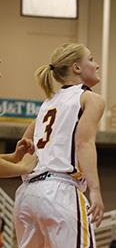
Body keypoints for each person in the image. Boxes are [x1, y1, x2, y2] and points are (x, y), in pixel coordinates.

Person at [14, 43, 105, 248]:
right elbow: (84, 143)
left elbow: (22, 149)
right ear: (76, 68)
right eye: (91, 59)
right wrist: (96, 190)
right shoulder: (90, 99)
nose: (96, 65)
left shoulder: (47, 104)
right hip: (60, 191)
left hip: (27, 195)